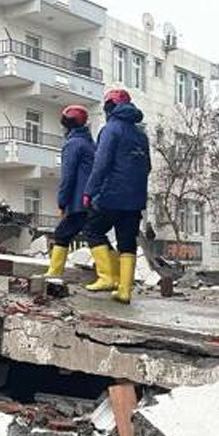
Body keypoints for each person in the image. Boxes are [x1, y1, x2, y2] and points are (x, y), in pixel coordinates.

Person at [83, 89, 151, 304]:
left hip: (111, 194)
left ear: (110, 106)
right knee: (127, 242)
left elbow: (101, 164)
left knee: (93, 230)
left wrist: (89, 191)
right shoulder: (141, 135)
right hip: (135, 199)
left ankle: (107, 278)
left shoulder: (110, 130)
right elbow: (147, 166)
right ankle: (124, 290)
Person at [44, 105, 104, 280]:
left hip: (79, 202)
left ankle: (54, 273)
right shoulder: (89, 143)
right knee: (95, 235)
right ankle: (112, 274)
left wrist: (62, 202)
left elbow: (68, 176)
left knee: (62, 234)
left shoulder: (73, 144)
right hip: (92, 199)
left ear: (67, 125)